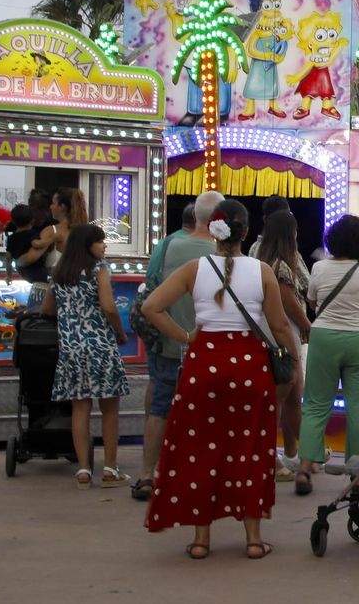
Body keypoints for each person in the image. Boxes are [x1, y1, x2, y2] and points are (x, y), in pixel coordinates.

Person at [143, 200, 298, 559]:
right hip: (249, 367)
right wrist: (292, 355)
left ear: (213, 231)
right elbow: (277, 326)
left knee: (201, 450)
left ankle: (201, 541)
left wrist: (185, 337)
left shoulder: (193, 269)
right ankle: (254, 540)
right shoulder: (262, 272)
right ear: (245, 232)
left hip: (204, 365)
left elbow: (151, 306)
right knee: (251, 451)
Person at [133, 191, 222, 502]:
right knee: (208, 412)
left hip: (169, 340)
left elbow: (151, 284)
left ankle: (147, 474)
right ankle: (199, 474)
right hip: (210, 346)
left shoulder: (169, 244)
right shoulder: (223, 255)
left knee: (160, 405)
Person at [297, 215, 359, 496]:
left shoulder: (319, 268)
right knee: (358, 406)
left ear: (332, 240)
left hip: (324, 337)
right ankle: (358, 475)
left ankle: (305, 466)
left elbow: (312, 301)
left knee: (316, 403)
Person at [48, 223, 131, 488]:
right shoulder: (99, 269)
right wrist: (120, 331)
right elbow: (108, 306)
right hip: (100, 346)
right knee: (109, 408)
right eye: (100, 242)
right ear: (88, 245)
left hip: (71, 348)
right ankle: (110, 468)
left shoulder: (59, 272)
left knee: (80, 408)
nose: (105, 246)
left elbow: (47, 309)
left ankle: (83, 470)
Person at [254, 210, 309, 485]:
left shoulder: (260, 259)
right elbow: (289, 303)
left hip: (267, 331)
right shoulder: (282, 267)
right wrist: (307, 324)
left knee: (290, 397)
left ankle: (302, 453)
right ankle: (272, 459)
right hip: (283, 335)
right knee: (280, 400)